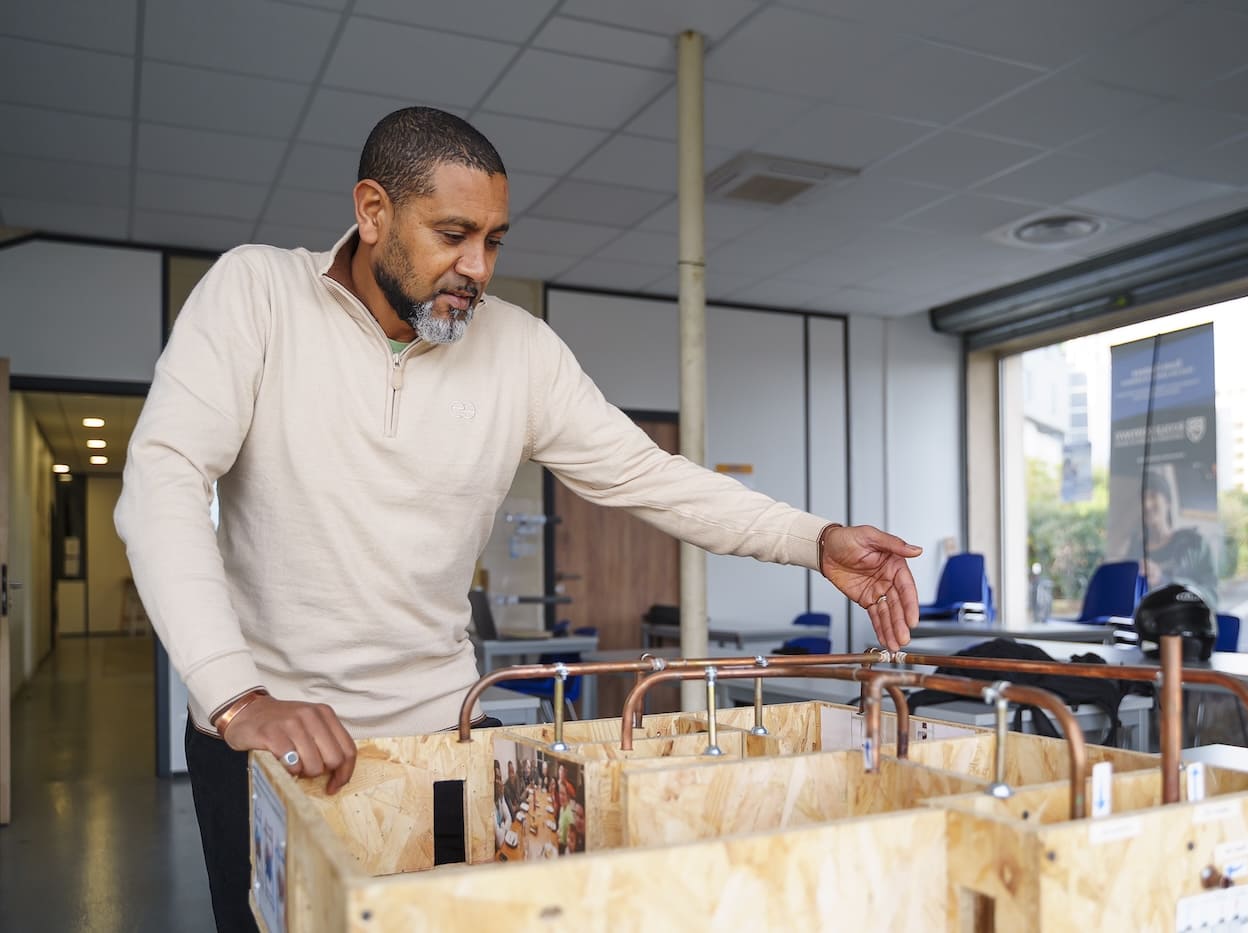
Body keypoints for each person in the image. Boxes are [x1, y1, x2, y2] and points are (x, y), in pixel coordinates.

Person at [114, 106, 923, 932]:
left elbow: (650, 474)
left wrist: (812, 538)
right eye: (453, 233)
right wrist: (234, 694)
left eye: (494, 240)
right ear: (372, 212)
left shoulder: (521, 352)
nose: (477, 267)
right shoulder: (257, 294)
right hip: (262, 743)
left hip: (443, 737)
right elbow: (164, 475)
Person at [1131, 469, 1218, 607]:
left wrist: (1164, 581)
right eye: (1142, 498)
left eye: (1153, 496)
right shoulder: (1133, 551)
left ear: (1168, 502)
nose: (1147, 505)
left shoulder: (1194, 545)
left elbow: (1212, 598)